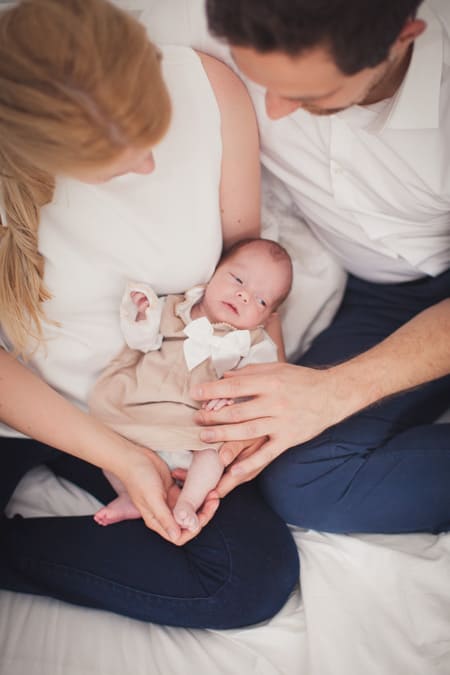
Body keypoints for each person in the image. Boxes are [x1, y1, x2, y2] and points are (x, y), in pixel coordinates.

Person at [0, 0, 299, 627]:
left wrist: (249, 407)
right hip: (30, 406)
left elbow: (252, 280)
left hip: (168, 403)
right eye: (115, 164)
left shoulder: (211, 91)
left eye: (152, 133)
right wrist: (120, 456)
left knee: (250, 577)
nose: (147, 166)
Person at [188, 0, 450, 533]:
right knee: (303, 477)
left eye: (312, 94)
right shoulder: (213, 23)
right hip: (382, 293)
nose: (277, 111)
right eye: (260, 81)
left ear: (403, 38)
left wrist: (338, 390)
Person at [90, 237, 293, 532]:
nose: (244, 295)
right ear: (212, 274)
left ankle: (188, 500)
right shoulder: (176, 308)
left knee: (215, 454)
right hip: (142, 407)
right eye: (237, 279)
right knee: (106, 437)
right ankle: (129, 495)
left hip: (197, 425)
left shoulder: (255, 344)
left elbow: (261, 382)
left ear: (268, 317)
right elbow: (141, 341)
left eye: (260, 300)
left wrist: (235, 401)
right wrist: (143, 314)